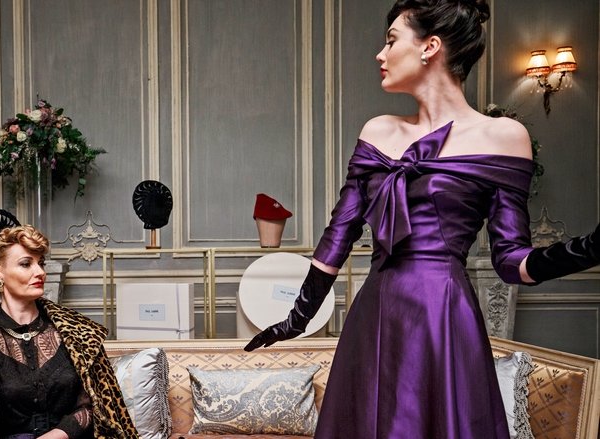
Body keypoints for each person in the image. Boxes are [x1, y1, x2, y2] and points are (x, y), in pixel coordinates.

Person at [245, 0, 600, 437]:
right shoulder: (377, 131)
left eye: (391, 41)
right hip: (375, 313)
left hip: (443, 316)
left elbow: (513, 262)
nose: (380, 54)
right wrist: (297, 319)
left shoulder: (505, 137)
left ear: (430, 46)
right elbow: (338, 236)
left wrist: (591, 248)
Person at [0, 208, 138, 439]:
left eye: (40, 263)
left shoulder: (77, 331)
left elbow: (95, 406)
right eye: (26, 264)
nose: (40, 272)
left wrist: (55, 436)